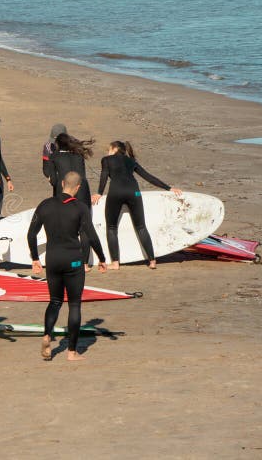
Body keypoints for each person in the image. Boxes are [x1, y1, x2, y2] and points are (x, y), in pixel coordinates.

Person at [28, 172, 107, 362]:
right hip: (73, 259)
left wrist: (35, 258)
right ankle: (71, 352)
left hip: (53, 259)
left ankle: (47, 335)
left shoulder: (45, 205)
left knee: (55, 301)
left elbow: (31, 234)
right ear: (78, 188)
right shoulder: (80, 208)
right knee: (74, 304)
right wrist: (102, 258)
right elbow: (92, 236)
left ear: (62, 183)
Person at [91, 140, 183, 270]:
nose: (108, 152)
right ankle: (152, 261)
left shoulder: (106, 159)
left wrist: (99, 193)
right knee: (141, 227)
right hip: (134, 193)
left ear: (114, 148)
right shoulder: (131, 161)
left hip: (116, 193)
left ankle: (115, 263)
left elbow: (104, 175)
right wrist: (168, 188)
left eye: (109, 149)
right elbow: (148, 176)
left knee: (111, 227)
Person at [49, 132, 95, 266]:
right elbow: (83, 174)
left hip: (65, 192)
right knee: (84, 228)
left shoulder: (54, 156)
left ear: (57, 144)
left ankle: (68, 260)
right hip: (82, 189)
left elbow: (53, 180)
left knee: (65, 227)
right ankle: (85, 264)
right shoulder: (78, 154)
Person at [42, 123, 67, 193]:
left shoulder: (73, 145)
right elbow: (45, 168)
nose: (56, 144)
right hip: (57, 180)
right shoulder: (47, 147)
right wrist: (51, 176)